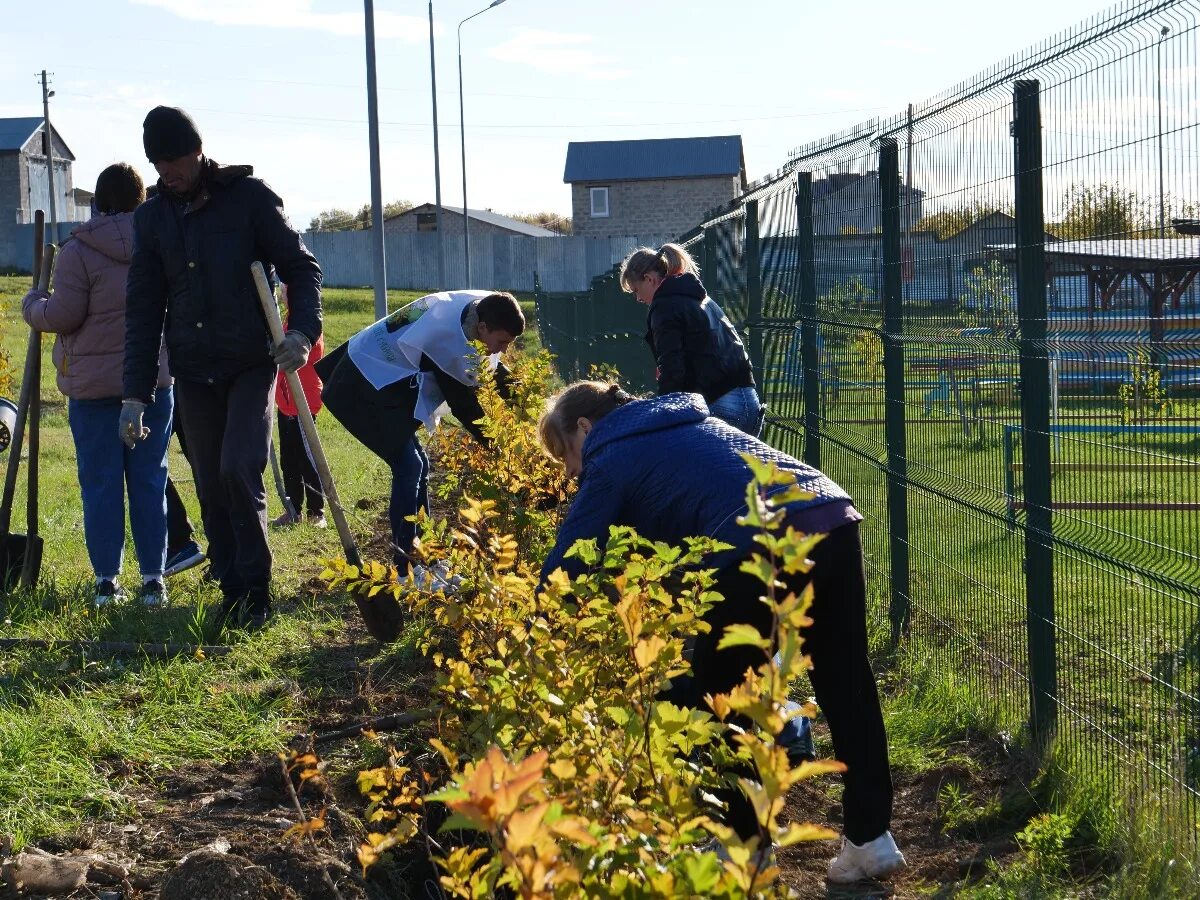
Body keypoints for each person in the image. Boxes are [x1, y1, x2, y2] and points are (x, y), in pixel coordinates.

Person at [537, 383, 905, 884]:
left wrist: (532, 622)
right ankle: (870, 839)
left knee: (715, 702)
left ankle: (744, 848)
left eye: (566, 454)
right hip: (829, 517)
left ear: (585, 427)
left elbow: (569, 559)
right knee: (846, 685)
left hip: (756, 542)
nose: (571, 471)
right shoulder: (684, 422)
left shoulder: (611, 451)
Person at [122, 105, 323, 628]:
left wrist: (302, 332)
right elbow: (143, 311)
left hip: (250, 362)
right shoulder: (152, 218)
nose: (170, 174)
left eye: (177, 161)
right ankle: (231, 584)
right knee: (210, 483)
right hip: (192, 369)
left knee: (239, 468)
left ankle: (256, 588)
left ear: (198, 150)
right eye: (160, 165)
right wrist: (134, 394)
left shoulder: (248, 199)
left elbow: (302, 268)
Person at [21, 163, 173, 607]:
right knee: (150, 479)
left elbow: (63, 315)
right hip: (150, 385)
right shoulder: (158, 242)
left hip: (92, 391)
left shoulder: (78, 251)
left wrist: (33, 304)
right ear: (140, 200)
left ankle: (107, 581)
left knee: (101, 483)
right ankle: (153, 580)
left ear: (97, 201)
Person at [316, 290, 523, 577]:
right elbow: (465, 407)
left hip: (378, 371)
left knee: (419, 465)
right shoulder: (446, 338)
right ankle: (407, 568)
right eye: (501, 342)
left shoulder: (480, 308)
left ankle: (425, 557)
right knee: (409, 466)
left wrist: (525, 402)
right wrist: (504, 452)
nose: (501, 351)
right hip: (362, 382)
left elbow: (495, 370)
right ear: (483, 328)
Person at [620, 243, 763, 436]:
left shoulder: (664, 306)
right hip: (749, 402)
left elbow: (672, 369)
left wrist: (661, 418)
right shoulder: (697, 296)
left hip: (721, 404)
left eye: (636, 290)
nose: (637, 298)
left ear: (649, 279)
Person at [272, 290, 326, 529]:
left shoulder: (308, 322)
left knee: (307, 458)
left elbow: (311, 352)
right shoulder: (287, 319)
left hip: (303, 400)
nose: (284, 294)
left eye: (286, 290)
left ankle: (318, 512)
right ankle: (293, 510)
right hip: (286, 403)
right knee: (289, 460)